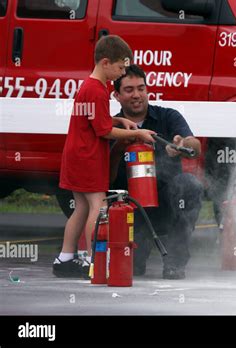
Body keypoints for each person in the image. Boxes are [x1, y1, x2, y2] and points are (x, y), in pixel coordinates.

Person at [53, 37, 157, 278]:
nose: (122, 73)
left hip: (77, 156)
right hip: (88, 158)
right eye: (120, 68)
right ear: (106, 62)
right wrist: (138, 132)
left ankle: (65, 258)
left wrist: (120, 120)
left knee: (80, 207)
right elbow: (103, 131)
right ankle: (93, 260)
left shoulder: (90, 87)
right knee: (98, 207)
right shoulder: (97, 90)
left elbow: (96, 121)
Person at [110, 65, 203, 280]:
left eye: (141, 88)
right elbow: (104, 180)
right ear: (116, 95)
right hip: (130, 212)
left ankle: (174, 262)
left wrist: (181, 144)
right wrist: (119, 146)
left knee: (190, 185)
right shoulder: (111, 127)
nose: (137, 95)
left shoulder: (168, 117)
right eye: (129, 89)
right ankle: (136, 254)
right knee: (132, 269)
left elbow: (194, 147)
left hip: (166, 206)